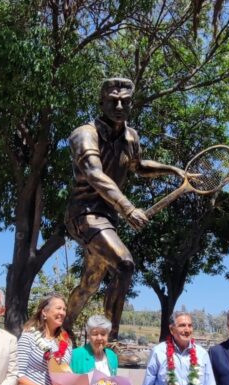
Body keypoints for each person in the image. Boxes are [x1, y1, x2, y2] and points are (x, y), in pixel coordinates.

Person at [64, 77, 187, 335]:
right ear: (101, 102)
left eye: (125, 101)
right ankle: (110, 339)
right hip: (84, 214)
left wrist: (173, 170)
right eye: (113, 100)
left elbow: (138, 166)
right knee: (124, 264)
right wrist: (128, 208)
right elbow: (94, 173)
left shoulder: (131, 136)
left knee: (89, 283)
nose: (119, 106)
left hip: (106, 218)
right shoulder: (84, 134)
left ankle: (60, 330)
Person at [141, 312, 217, 385]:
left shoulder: (202, 354)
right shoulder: (158, 352)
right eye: (182, 325)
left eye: (190, 325)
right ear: (172, 329)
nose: (187, 330)